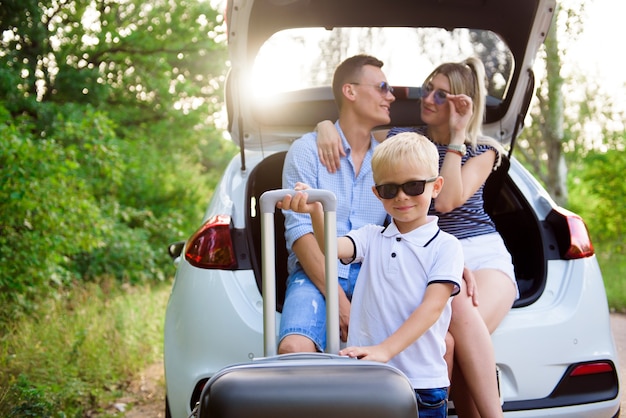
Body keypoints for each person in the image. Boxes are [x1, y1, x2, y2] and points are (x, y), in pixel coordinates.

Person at [315, 56, 518, 418]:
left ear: (462, 103)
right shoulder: (401, 139)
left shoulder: (483, 149)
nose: (428, 99)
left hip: (479, 253)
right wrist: (322, 127)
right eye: (428, 89)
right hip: (419, 248)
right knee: (447, 343)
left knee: (461, 318)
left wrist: (457, 136)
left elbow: (448, 199)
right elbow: (353, 132)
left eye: (442, 96)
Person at [279, 132, 463, 418]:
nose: (401, 196)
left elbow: (432, 308)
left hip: (420, 384)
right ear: (377, 194)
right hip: (367, 378)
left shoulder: (445, 246)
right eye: (390, 189)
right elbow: (330, 247)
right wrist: (316, 212)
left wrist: (385, 350)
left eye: (413, 186)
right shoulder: (370, 237)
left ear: (436, 186)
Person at [278, 54, 394, 354]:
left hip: (375, 275)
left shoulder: (389, 158)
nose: (390, 96)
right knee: (293, 348)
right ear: (350, 91)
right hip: (315, 273)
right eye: (382, 87)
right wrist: (341, 303)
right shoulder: (305, 150)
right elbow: (301, 235)